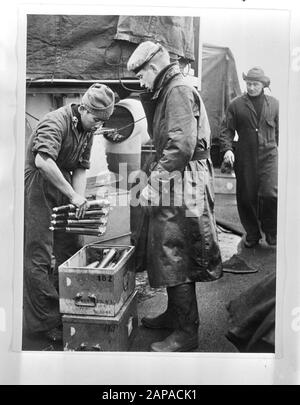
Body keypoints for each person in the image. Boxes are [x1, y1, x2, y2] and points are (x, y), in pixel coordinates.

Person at [127, 41, 223, 352]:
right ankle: (175, 316)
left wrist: (154, 183)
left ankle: (186, 332)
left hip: (184, 182)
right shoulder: (168, 89)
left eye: (141, 76)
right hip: (179, 178)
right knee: (168, 252)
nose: (141, 83)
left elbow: (180, 146)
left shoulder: (177, 90)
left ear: (153, 68)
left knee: (176, 252)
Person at [23, 83, 115, 342]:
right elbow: (42, 161)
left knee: (72, 246)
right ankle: (43, 323)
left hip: (62, 183)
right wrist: (72, 195)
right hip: (38, 183)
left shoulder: (89, 128)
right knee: (38, 253)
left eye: (102, 122)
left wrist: (79, 199)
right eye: (96, 119)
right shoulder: (55, 121)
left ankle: (71, 305)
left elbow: (81, 168)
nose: (98, 126)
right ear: (84, 108)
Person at [219, 67, 279, 248]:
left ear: (263, 85)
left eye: (255, 84)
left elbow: (281, 131)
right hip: (245, 155)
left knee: (270, 193)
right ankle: (252, 233)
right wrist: (227, 150)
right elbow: (226, 130)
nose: (251, 87)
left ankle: (271, 230)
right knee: (246, 196)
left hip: (269, 155)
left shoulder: (275, 104)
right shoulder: (236, 105)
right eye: (249, 84)